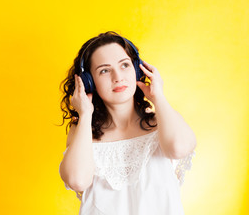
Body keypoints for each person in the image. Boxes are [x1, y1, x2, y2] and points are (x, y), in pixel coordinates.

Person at [58, 31, 197, 215]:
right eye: (104, 70)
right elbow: (77, 180)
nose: (118, 77)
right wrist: (85, 115)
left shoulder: (163, 121)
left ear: (137, 70)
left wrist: (158, 97)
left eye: (125, 65)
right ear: (88, 82)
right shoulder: (83, 132)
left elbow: (179, 148)